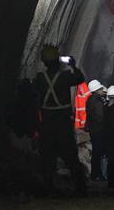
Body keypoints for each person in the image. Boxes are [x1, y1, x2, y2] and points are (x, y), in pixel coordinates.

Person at [34, 44, 87, 194]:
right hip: (62, 122)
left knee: (47, 156)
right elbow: (80, 78)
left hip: (47, 123)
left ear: (44, 61)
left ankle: (48, 187)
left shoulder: (40, 78)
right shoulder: (64, 77)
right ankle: (80, 187)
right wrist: (73, 66)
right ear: (58, 60)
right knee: (70, 156)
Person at [85, 79, 108, 181]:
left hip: (93, 129)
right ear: (97, 89)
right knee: (98, 153)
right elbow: (101, 116)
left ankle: (95, 174)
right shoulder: (97, 101)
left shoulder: (90, 99)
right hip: (99, 130)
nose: (102, 90)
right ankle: (98, 174)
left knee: (96, 152)